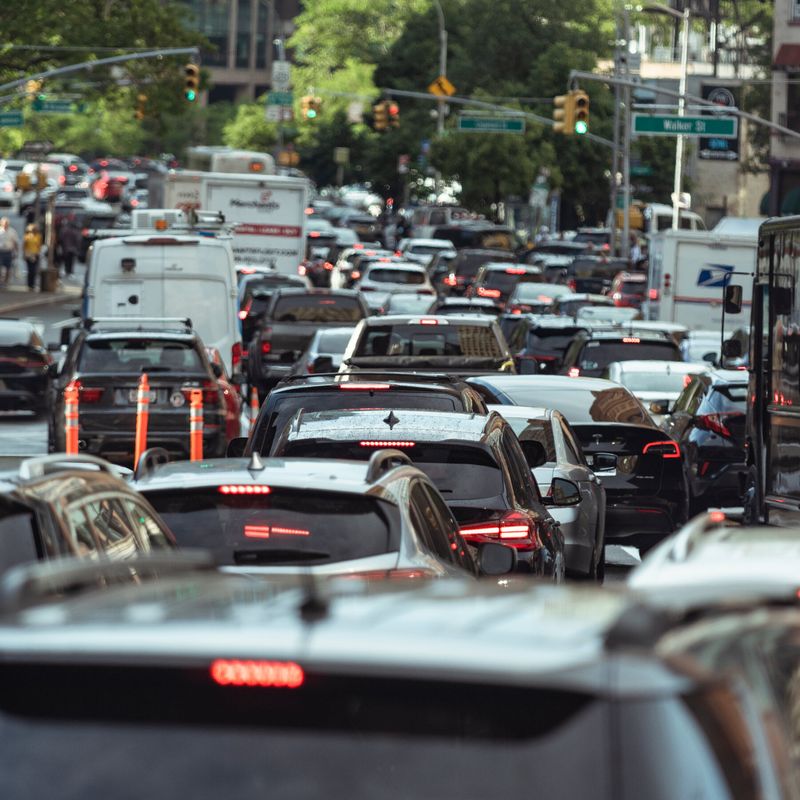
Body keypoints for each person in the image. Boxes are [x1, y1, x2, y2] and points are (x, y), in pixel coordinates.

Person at [23, 223, 43, 291]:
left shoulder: (38, 236)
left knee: (34, 270)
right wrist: (24, 254)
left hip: (35, 254)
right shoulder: (27, 236)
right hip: (29, 254)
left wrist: (39, 253)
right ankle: (29, 284)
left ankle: (33, 284)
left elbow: (39, 245)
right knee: (30, 270)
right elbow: (24, 246)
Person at [0, 217, 19, 285]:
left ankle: (6, 281)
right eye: (4, 223)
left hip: (8, 251)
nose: (5, 224)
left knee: (8, 267)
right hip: (0, 251)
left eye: (7, 223)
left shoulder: (12, 231)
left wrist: (16, 252)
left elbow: (15, 242)